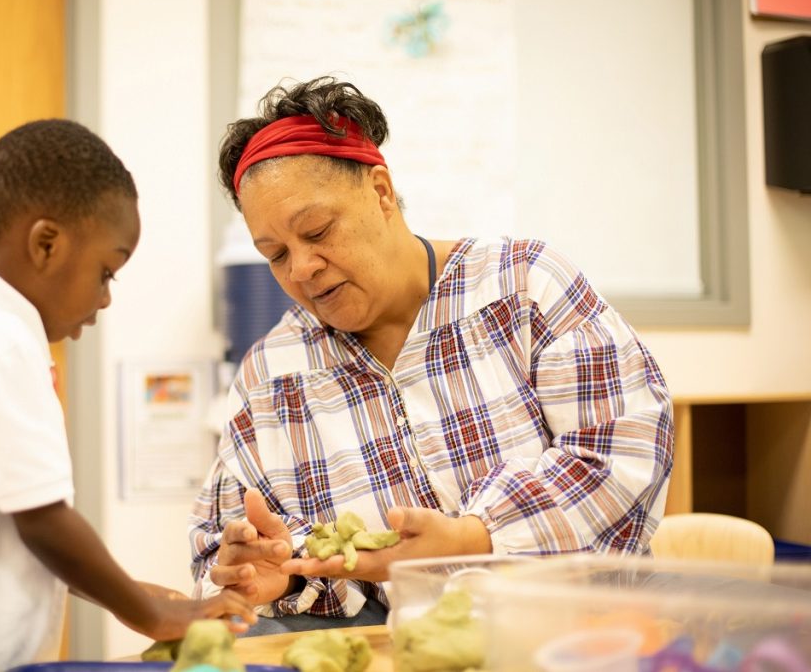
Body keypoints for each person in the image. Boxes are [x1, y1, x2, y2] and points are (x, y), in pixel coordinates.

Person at [188, 77, 674, 633]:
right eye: (275, 254)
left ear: (380, 192)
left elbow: (624, 454)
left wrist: (473, 537)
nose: (300, 269)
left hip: (583, 636)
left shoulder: (522, 288)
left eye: (317, 231)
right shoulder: (270, 378)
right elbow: (216, 553)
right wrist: (279, 575)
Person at [0, 119, 254, 670]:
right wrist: (150, 615)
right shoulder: (1, 343)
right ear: (46, 244)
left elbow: (18, 525)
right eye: (106, 272)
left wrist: (136, 592)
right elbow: (43, 521)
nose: (105, 300)